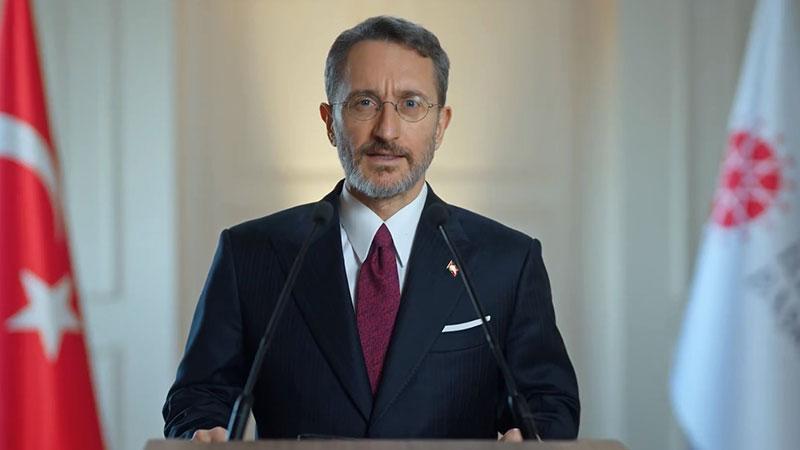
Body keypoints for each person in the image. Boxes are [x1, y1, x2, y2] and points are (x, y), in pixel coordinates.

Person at [162, 15, 579, 442]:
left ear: (441, 126)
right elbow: (196, 399)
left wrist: (534, 437)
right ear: (330, 121)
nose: (387, 130)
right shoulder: (250, 254)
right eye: (364, 103)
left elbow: (548, 401)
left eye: (411, 104)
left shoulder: (507, 261)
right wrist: (199, 433)